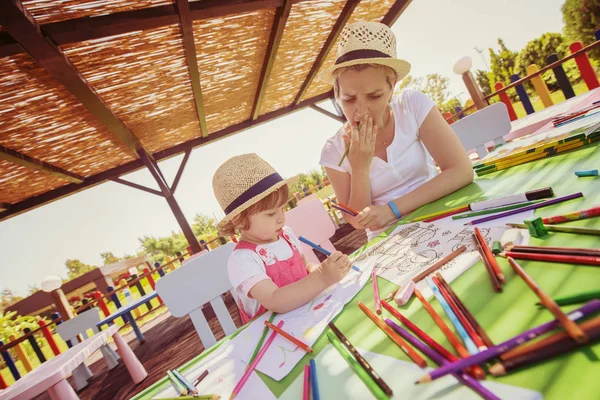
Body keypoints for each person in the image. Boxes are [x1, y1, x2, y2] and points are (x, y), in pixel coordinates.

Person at [319, 22, 474, 239]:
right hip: (391, 239)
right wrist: (360, 167)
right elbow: (356, 219)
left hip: (442, 209)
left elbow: (462, 171)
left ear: (391, 87)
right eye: (349, 99)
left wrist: (392, 209)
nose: (361, 110)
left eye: (374, 96)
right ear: (337, 94)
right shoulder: (333, 150)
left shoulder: (411, 106)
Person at [213, 153, 352, 324]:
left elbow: (304, 264)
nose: (281, 218)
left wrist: (321, 269)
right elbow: (275, 299)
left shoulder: (286, 235)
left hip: (310, 319)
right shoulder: (242, 260)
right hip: (276, 336)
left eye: (282, 208)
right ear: (238, 219)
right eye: (271, 213)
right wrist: (323, 277)